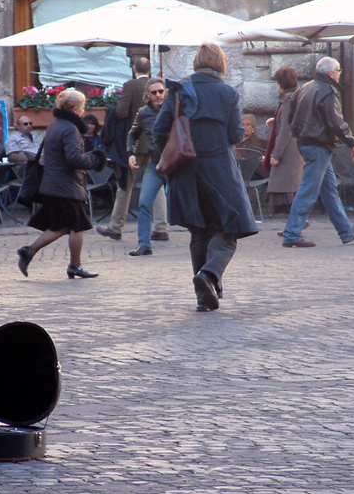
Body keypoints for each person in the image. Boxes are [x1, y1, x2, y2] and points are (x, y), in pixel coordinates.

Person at [152, 42, 258, 312]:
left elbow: (159, 129)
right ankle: (208, 276)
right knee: (229, 228)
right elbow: (235, 135)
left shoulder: (179, 90)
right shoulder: (227, 93)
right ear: (221, 63)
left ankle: (204, 296)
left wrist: (170, 155)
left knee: (199, 231)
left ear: (198, 61)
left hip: (186, 172)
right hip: (220, 170)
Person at [17, 89, 106, 279]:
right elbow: (73, 158)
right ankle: (73, 265)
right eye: (82, 107)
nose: (84, 110)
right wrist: (95, 160)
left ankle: (31, 251)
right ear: (74, 109)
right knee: (76, 225)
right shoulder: (69, 128)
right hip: (66, 185)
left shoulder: (55, 124)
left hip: (55, 183)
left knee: (62, 226)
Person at [281, 56, 354, 248]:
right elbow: (336, 122)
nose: (339, 74)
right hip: (319, 144)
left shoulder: (305, 87)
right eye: (338, 71)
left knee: (329, 191)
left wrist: (298, 133)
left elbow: (290, 114)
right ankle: (291, 234)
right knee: (309, 191)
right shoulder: (328, 91)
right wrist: (352, 142)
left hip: (307, 142)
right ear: (331, 73)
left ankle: (346, 231)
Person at [97, 57, 168, 242]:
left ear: (134, 69)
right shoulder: (160, 88)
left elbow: (121, 112)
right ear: (149, 70)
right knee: (157, 186)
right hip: (155, 146)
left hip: (135, 146)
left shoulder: (130, 85)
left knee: (125, 185)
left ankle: (116, 226)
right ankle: (161, 227)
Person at [126, 77, 168, 256]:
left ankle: (202, 241)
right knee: (143, 203)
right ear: (148, 95)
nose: (158, 95)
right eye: (154, 93)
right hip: (156, 165)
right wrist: (130, 153)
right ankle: (144, 244)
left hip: (177, 164)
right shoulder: (143, 113)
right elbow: (132, 134)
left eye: (161, 91)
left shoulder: (174, 108)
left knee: (189, 201)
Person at [265, 66, 304, 214]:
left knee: (288, 192)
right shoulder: (297, 96)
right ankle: (293, 227)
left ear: (280, 84)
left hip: (289, 151)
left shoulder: (288, 100)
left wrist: (276, 154)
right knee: (292, 190)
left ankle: (296, 224)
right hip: (295, 149)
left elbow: (286, 129)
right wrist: (274, 120)